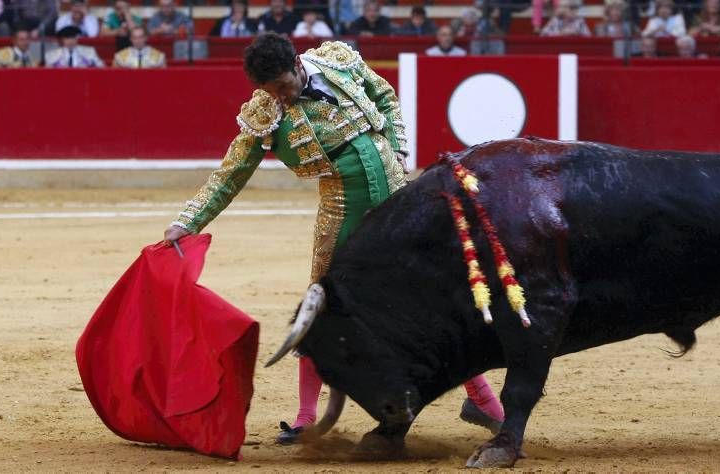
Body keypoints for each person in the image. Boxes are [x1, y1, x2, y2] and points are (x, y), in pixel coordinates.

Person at [163, 33, 505, 445]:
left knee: (431, 297)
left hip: (397, 193)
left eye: (283, 86)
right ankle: (307, 415)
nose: (281, 98)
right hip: (343, 207)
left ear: (296, 64)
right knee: (320, 304)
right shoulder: (265, 110)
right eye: (270, 91)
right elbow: (230, 174)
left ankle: (481, 399)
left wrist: (397, 148)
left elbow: (383, 93)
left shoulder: (336, 59)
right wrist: (189, 221)